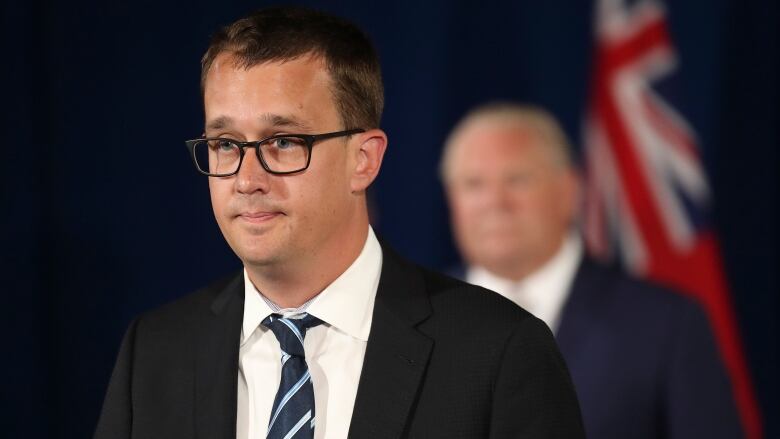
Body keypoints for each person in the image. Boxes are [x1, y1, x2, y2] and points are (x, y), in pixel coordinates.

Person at [94, 8, 584, 439]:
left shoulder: (498, 353)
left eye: (283, 142)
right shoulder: (156, 352)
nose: (246, 179)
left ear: (364, 160)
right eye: (226, 144)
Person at [441, 102, 745, 439]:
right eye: (473, 184)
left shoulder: (666, 325)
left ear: (569, 190)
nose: (495, 202)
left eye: (518, 180)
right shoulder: (406, 317)